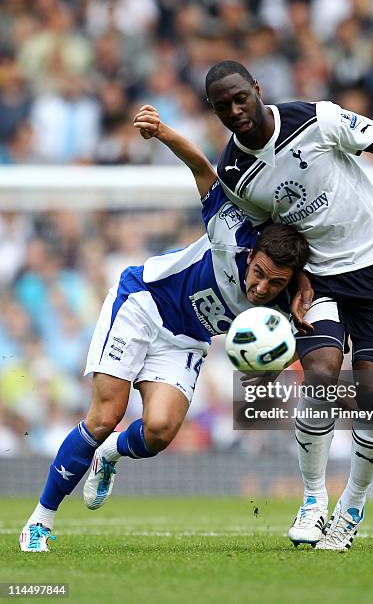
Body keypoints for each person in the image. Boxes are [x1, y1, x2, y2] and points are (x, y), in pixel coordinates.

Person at [19, 106, 310, 552]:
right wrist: (162, 131)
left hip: (186, 339)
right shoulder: (230, 232)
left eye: (275, 283)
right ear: (252, 256)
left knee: (158, 432)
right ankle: (40, 521)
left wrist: (277, 356)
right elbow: (201, 167)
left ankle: (110, 455)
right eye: (261, 273)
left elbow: (286, 354)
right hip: (142, 303)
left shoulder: (281, 309)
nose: (261, 287)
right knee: (105, 415)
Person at [205, 60, 373, 551]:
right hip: (320, 280)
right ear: (214, 110)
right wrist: (295, 283)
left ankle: (352, 504)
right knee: (322, 376)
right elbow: (274, 236)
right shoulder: (235, 174)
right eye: (223, 106)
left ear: (257, 89)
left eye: (241, 97)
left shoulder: (315, 120)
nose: (236, 110)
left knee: (372, 398)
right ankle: (311, 501)